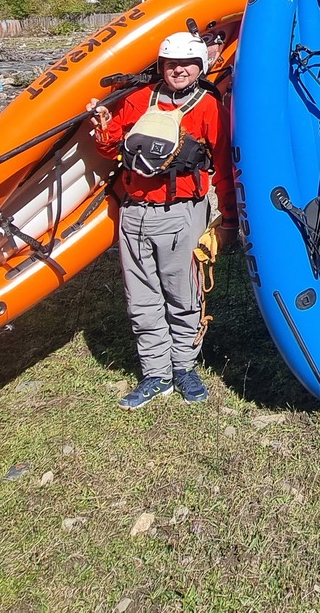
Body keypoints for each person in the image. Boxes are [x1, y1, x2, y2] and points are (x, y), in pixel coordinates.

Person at [89, 31, 236, 410]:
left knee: (183, 295)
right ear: (161, 66)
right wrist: (105, 125)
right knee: (141, 299)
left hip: (182, 214)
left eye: (187, 64)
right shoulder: (139, 100)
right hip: (134, 212)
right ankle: (156, 373)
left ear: (199, 67)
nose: (179, 71)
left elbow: (222, 166)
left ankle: (184, 366)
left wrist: (229, 221)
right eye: (171, 64)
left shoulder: (208, 109)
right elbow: (111, 147)